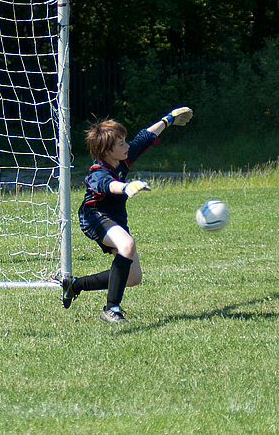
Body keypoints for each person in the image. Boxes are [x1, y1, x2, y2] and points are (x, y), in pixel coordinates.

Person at [62, 106, 193, 323]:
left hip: (115, 219)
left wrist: (168, 119)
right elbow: (107, 185)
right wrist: (125, 187)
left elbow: (145, 137)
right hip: (94, 217)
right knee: (127, 246)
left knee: (132, 278)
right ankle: (111, 309)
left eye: (124, 141)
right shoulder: (97, 171)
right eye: (121, 143)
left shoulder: (122, 157)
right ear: (106, 151)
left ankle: (75, 285)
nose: (127, 145)